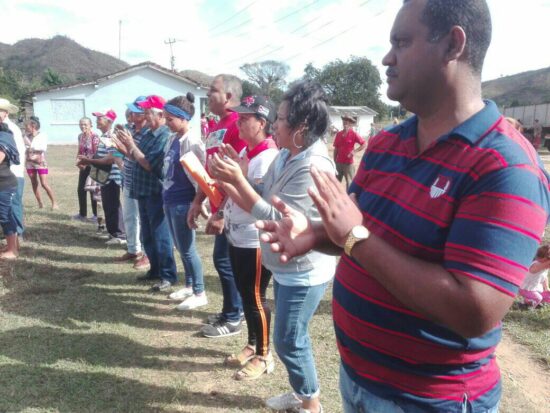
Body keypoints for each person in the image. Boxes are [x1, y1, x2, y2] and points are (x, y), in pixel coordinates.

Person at [255, 1, 550, 412]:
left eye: (401, 42)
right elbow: (354, 230)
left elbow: (475, 309)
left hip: (430, 401)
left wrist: (356, 237)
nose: (386, 58)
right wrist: (315, 234)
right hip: (357, 380)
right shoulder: (387, 143)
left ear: (452, 44)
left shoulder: (505, 165)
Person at [210, 81, 335, 413]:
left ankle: (310, 404)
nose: (274, 124)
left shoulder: (313, 166)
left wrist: (237, 181)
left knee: (290, 341)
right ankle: (301, 394)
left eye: (279, 119)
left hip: (305, 271)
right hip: (285, 265)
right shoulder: (286, 155)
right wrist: (231, 178)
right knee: (288, 338)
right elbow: (261, 197)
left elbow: (276, 220)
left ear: (301, 126)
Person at [212, 95, 278, 380]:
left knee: (255, 297)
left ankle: (264, 355)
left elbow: (253, 205)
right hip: (239, 235)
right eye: (238, 116)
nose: (238, 122)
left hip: (254, 238)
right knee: (246, 293)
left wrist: (231, 178)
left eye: (245, 118)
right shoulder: (250, 154)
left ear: (262, 123)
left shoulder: (266, 158)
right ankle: (252, 345)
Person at [187, 74, 246, 338]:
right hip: (218, 203)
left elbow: (239, 175)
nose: (208, 94)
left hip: (234, 207)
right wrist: (198, 199)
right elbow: (211, 169)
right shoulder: (215, 125)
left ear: (229, 97)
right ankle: (231, 310)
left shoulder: (238, 124)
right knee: (224, 260)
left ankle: (234, 317)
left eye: (213, 90)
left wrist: (222, 210)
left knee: (226, 261)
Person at [114, 95, 177, 292]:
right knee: (147, 234)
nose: (146, 116)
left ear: (160, 115)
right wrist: (128, 146)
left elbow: (149, 164)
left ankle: (168, 274)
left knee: (160, 234)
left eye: (149, 112)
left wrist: (131, 145)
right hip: (142, 190)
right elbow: (135, 156)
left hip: (155, 191)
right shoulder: (150, 133)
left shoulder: (164, 135)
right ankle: (155, 270)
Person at [161, 93, 207, 309]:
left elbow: (201, 174)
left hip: (183, 201)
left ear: (183, 118)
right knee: (179, 247)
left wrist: (199, 203)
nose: (166, 122)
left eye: (170, 119)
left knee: (188, 249)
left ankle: (200, 292)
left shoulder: (191, 140)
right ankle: (189, 285)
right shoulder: (173, 139)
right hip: (169, 199)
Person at [78, 110, 126, 244]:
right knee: (107, 204)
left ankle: (120, 235)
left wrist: (90, 161)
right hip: (105, 176)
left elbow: (111, 158)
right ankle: (112, 232)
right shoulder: (104, 135)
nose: (97, 121)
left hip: (111, 176)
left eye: (100, 118)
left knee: (113, 204)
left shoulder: (111, 136)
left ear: (109, 121)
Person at [114, 96, 148, 268]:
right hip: (128, 179)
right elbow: (130, 155)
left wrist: (126, 147)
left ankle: (147, 254)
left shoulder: (149, 133)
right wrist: (122, 145)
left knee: (144, 219)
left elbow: (143, 159)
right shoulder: (132, 131)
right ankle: (133, 248)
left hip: (142, 182)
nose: (131, 114)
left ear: (144, 114)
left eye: (135, 111)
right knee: (129, 217)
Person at [0, 98, 25, 239]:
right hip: (7, 172)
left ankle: (18, 234)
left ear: (5, 113)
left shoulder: (10, 129)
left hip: (13, 172)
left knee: (13, 205)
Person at [23, 116, 58, 209]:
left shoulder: (42, 135)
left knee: (44, 183)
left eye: (27, 126)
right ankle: (40, 203)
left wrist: (30, 147)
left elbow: (42, 148)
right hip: (29, 163)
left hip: (40, 162)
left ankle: (54, 203)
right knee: (34, 183)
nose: (25, 128)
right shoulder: (25, 136)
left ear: (33, 126)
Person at [0, 123, 21, 260]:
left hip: (4, 185)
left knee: (5, 216)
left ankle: (13, 251)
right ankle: (12, 246)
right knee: (5, 215)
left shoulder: (2, 140)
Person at [74, 117, 99, 222]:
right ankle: (82, 214)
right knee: (81, 189)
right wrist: (78, 161)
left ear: (90, 125)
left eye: (85, 124)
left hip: (93, 166)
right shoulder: (80, 136)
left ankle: (96, 215)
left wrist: (87, 162)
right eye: (81, 124)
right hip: (83, 166)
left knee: (92, 190)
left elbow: (97, 153)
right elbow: (80, 149)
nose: (83, 126)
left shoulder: (95, 137)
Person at [332, 115, 366, 188]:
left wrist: (354, 151)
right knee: (336, 184)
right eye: (344, 121)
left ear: (351, 123)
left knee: (350, 184)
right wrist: (334, 161)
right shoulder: (339, 134)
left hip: (348, 164)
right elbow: (336, 149)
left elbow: (364, 144)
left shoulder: (354, 134)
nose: (345, 123)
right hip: (339, 163)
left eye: (347, 121)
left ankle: (348, 199)